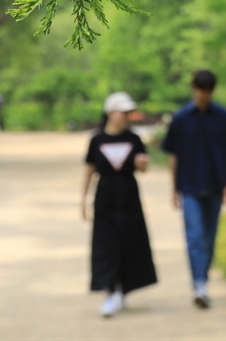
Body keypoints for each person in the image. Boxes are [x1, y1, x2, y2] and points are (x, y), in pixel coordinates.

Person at [161, 69, 226, 309]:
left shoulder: (223, 117)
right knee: (195, 236)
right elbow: (173, 156)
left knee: (209, 238)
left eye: (207, 91)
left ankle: (203, 278)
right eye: (200, 90)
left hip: (215, 185)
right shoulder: (181, 119)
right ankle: (199, 284)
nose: (204, 95)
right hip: (189, 186)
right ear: (194, 89)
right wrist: (173, 188)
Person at [81, 91, 158, 318]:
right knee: (107, 244)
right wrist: (83, 201)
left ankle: (124, 288)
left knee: (129, 242)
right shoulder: (97, 140)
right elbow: (89, 171)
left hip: (129, 198)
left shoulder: (134, 139)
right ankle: (110, 290)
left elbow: (143, 168)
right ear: (110, 113)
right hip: (105, 198)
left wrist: (142, 164)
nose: (125, 116)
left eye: (128, 113)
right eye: (122, 112)